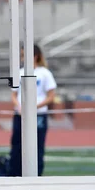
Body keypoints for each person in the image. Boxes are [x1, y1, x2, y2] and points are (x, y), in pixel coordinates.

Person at [8, 44, 57, 176]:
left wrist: (34, 107)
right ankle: (14, 176)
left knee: (37, 147)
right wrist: (19, 106)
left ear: (35, 56)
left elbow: (51, 96)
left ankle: (36, 176)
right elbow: (13, 94)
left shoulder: (45, 73)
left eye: (25, 55)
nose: (22, 58)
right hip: (20, 115)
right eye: (22, 56)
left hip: (38, 116)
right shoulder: (19, 72)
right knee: (17, 146)